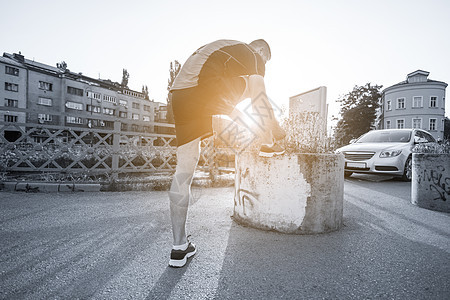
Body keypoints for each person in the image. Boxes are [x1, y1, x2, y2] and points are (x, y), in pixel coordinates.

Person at [167, 39, 285, 267]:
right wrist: (274, 131)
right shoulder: (253, 55)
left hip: (180, 95)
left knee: (184, 170)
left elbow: (228, 108)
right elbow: (258, 93)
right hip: (201, 89)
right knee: (254, 89)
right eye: (266, 61)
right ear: (261, 51)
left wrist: (256, 129)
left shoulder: (226, 57)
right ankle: (270, 141)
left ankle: (179, 247)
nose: (264, 67)